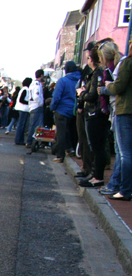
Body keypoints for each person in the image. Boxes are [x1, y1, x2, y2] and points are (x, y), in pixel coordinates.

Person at [99, 41, 132, 200]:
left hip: (124, 110)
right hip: (126, 110)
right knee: (124, 152)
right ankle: (119, 186)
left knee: (124, 153)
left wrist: (106, 86)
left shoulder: (126, 63)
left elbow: (118, 88)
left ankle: (124, 189)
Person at [77, 47, 110, 187]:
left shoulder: (98, 73)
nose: (87, 60)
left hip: (95, 112)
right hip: (94, 112)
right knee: (95, 146)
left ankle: (98, 177)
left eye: (89, 57)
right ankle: (94, 175)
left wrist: (81, 93)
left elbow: (93, 95)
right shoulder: (95, 73)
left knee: (97, 146)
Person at [50, 61, 80, 163]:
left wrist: (53, 107)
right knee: (72, 131)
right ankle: (71, 149)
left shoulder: (63, 81)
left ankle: (60, 155)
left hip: (62, 110)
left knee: (61, 133)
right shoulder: (80, 80)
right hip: (75, 109)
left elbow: (57, 96)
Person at [76, 41, 96, 178]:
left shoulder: (94, 72)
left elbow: (91, 92)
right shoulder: (87, 70)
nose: (87, 57)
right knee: (83, 139)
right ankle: (85, 167)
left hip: (88, 109)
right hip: (83, 106)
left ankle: (88, 169)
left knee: (87, 141)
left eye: (88, 56)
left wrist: (82, 98)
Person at [26, 69, 46, 151]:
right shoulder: (37, 85)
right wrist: (41, 103)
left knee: (33, 124)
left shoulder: (32, 84)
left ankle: (30, 141)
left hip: (32, 106)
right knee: (37, 125)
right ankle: (31, 141)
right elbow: (36, 96)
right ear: (41, 75)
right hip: (36, 106)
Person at [14, 78, 32, 145]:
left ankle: (20, 139)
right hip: (23, 109)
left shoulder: (23, 89)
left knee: (22, 125)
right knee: (21, 125)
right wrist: (29, 102)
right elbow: (21, 100)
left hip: (22, 108)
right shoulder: (26, 90)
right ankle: (18, 139)